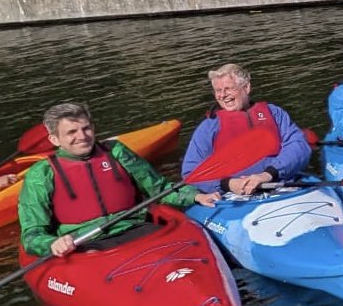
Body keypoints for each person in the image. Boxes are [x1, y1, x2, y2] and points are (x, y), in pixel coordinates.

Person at [19, 103, 221, 258]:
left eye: (86, 128)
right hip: (84, 242)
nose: (82, 136)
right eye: (72, 132)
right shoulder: (41, 174)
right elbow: (32, 233)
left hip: (135, 227)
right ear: (54, 139)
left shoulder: (115, 151)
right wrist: (50, 244)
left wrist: (194, 196)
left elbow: (159, 189)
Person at [182, 64, 311, 196]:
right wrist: (228, 184)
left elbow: (299, 146)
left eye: (229, 89)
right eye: (218, 90)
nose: (223, 95)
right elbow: (190, 172)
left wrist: (267, 174)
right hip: (234, 196)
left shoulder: (274, 113)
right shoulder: (208, 127)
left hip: (280, 182)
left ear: (246, 87)